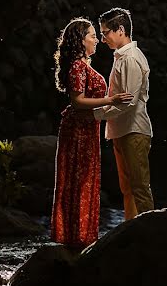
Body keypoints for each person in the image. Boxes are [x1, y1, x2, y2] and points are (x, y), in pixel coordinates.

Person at [50, 17, 132, 248]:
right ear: (81, 40)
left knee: (85, 178)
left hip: (87, 127)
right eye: (92, 36)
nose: (97, 40)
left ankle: (82, 234)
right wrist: (111, 99)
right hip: (78, 129)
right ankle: (76, 236)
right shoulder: (77, 66)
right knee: (79, 177)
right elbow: (77, 101)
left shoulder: (83, 65)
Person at [94, 7, 154, 220]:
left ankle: (149, 232)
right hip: (123, 130)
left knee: (138, 187)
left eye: (105, 33)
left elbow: (129, 101)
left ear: (120, 30)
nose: (103, 39)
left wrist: (96, 115)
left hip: (134, 130)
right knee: (128, 188)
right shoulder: (121, 57)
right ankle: (133, 230)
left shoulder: (130, 58)